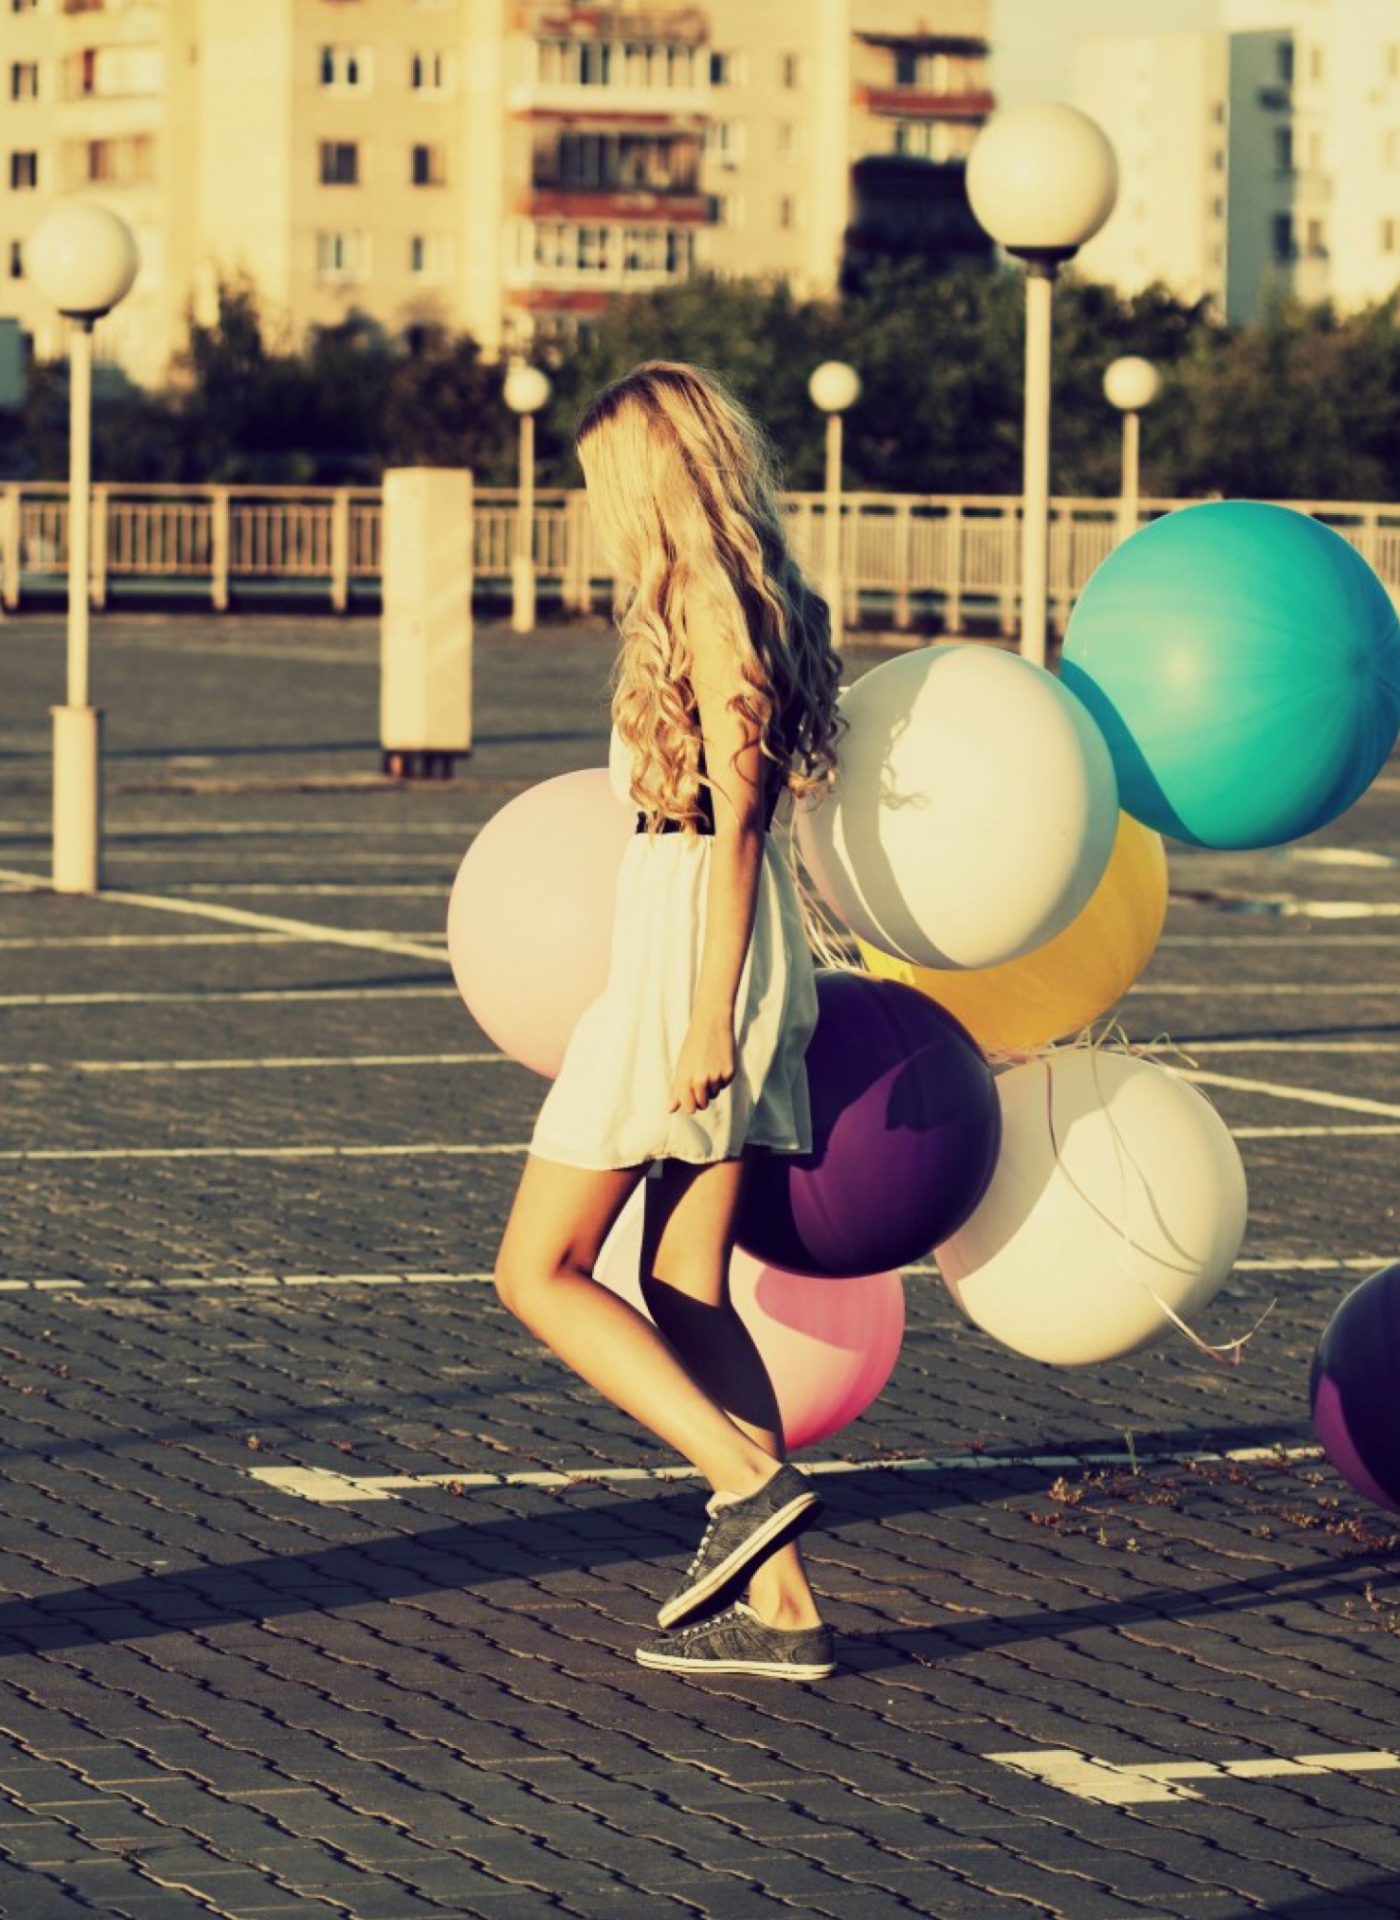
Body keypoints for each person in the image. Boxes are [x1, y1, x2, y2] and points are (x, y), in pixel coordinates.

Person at [490, 361, 846, 1681]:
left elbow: (740, 820)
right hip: (725, 945)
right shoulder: (753, 591)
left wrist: (702, 1017)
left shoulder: (709, 602)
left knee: (536, 1272)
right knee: (681, 1284)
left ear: (647, 473)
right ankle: (787, 1613)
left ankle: (741, 1478)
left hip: (698, 946)